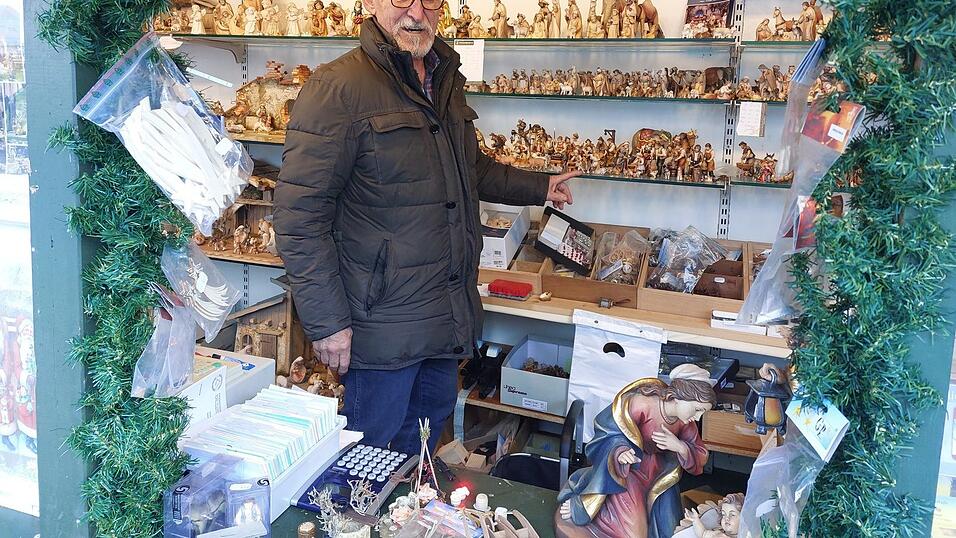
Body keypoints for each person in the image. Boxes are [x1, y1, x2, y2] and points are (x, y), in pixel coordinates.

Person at [274, 0, 578, 454]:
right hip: (381, 327)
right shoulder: (337, 89)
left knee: (422, 452)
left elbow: (469, 168)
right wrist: (326, 323)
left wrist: (541, 186)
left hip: (445, 317)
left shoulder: (443, 79)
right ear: (371, 4)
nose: (416, 11)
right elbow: (299, 216)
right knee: (369, 462)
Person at [555, 364, 715, 538]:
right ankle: (587, 505)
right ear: (679, 397)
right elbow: (609, 430)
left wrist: (679, 447)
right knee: (634, 534)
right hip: (628, 470)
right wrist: (620, 451)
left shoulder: (686, 422)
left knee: (669, 531)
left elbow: (699, 454)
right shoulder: (642, 404)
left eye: (702, 412)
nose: (698, 418)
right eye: (697, 410)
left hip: (659, 475)